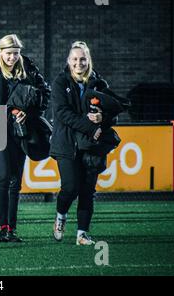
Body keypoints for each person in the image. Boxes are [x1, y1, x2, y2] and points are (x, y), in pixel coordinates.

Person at [0, 34, 50, 243]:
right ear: (0, 52)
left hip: (22, 130)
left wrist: (28, 111)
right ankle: (3, 227)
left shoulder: (29, 68)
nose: (12, 58)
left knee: (15, 181)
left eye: (16, 53)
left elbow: (45, 95)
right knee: (3, 177)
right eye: (8, 53)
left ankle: (12, 228)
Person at [50, 41, 121, 245]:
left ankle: (82, 234)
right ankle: (61, 215)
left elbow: (113, 113)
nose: (79, 63)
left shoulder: (100, 84)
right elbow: (63, 114)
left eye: (83, 59)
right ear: (68, 61)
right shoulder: (59, 82)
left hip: (91, 146)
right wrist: (92, 128)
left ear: (88, 60)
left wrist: (103, 119)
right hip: (67, 145)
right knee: (70, 187)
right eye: (75, 59)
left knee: (87, 190)